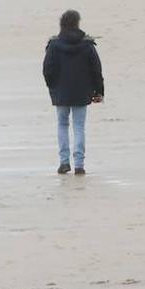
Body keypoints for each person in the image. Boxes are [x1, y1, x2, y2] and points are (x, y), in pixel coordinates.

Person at [43, 10, 104, 175]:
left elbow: (47, 70)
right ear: (78, 23)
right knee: (79, 127)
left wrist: (53, 87)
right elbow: (96, 70)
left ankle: (64, 162)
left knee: (62, 125)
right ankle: (79, 164)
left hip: (60, 92)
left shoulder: (54, 45)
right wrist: (99, 91)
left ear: (61, 23)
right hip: (82, 92)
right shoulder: (87, 45)